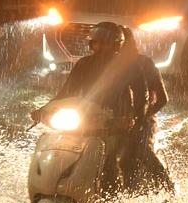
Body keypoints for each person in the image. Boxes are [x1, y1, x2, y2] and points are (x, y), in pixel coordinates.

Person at [34, 22, 137, 192]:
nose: (100, 47)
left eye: (104, 43)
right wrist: (45, 109)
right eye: (97, 42)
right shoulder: (84, 64)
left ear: (116, 45)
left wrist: (123, 119)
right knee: (63, 151)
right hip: (85, 117)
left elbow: (129, 97)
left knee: (108, 162)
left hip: (112, 123)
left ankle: (113, 199)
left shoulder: (123, 69)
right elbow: (66, 92)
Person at [120, 26, 175, 194]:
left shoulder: (145, 64)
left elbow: (163, 99)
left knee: (141, 152)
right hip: (116, 121)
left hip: (143, 120)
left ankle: (169, 187)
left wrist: (143, 117)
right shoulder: (108, 67)